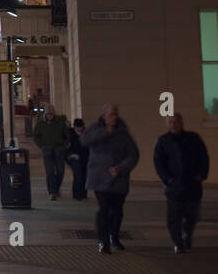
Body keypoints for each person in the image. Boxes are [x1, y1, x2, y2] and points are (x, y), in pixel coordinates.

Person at [80, 103, 139, 254]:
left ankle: (114, 236)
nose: (114, 117)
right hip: (100, 178)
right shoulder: (95, 129)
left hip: (119, 179)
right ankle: (103, 241)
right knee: (104, 209)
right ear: (104, 116)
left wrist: (121, 168)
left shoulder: (123, 133)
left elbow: (133, 155)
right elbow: (84, 141)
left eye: (115, 114)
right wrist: (103, 133)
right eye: (111, 114)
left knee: (117, 211)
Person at [152, 113, 210, 253]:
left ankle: (187, 234)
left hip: (192, 185)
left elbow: (204, 157)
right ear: (167, 124)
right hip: (174, 186)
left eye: (176, 121)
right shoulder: (163, 141)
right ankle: (178, 242)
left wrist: (201, 175)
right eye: (170, 122)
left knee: (192, 215)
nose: (173, 124)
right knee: (174, 217)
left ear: (181, 122)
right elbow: (158, 162)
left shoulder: (194, 138)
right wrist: (167, 179)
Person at [33, 108, 71, 200]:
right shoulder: (41, 124)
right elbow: (36, 136)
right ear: (45, 115)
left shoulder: (60, 123)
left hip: (59, 151)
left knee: (60, 171)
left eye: (51, 114)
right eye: (48, 114)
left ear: (54, 114)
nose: (50, 116)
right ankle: (52, 192)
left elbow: (68, 136)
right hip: (47, 151)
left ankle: (56, 188)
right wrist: (42, 146)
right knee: (50, 172)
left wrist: (63, 146)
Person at [66, 118, 89, 201]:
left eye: (81, 127)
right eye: (78, 127)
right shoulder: (70, 134)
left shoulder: (86, 134)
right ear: (74, 127)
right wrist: (70, 155)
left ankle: (83, 194)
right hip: (72, 158)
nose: (79, 129)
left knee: (85, 176)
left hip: (85, 157)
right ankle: (76, 195)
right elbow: (66, 147)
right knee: (78, 174)